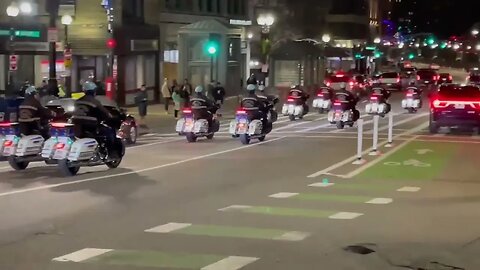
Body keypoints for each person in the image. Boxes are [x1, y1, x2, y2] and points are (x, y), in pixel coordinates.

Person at [72, 81, 115, 155]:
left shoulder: (77, 101)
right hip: (90, 124)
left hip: (77, 124)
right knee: (108, 132)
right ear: (94, 91)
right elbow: (103, 111)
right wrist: (110, 116)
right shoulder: (95, 101)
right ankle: (110, 153)